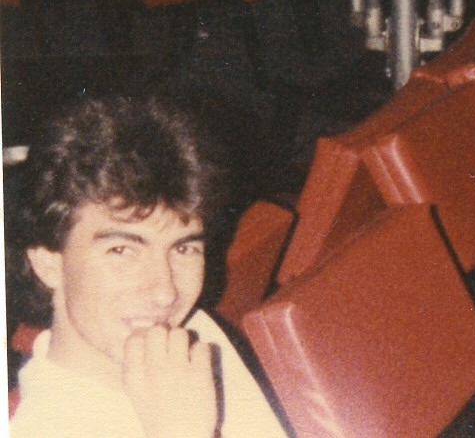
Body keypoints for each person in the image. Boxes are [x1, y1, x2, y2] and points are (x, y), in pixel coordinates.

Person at [8, 95, 289, 438]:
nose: (165, 293)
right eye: (122, 250)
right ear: (49, 262)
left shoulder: (194, 338)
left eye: (183, 248)